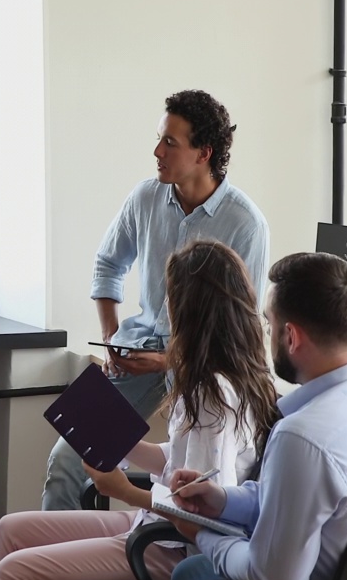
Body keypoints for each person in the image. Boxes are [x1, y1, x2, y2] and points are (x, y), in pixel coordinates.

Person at [83, 252, 347, 580]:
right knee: (189, 573)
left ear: (291, 336)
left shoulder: (303, 436)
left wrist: (202, 533)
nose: (265, 333)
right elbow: (293, 500)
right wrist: (224, 500)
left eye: (269, 323)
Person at [0, 240, 281, 580]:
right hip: (153, 525)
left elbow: (208, 511)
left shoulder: (212, 391)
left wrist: (121, 490)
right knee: (11, 530)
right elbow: (184, 460)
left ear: (188, 309)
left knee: (15, 573)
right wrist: (120, 443)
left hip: (174, 546)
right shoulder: (232, 375)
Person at [44, 89, 271, 511]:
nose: (157, 151)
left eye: (170, 142)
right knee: (66, 460)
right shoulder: (145, 196)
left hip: (207, 364)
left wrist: (171, 361)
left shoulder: (246, 224)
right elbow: (108, 264)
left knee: (199, 478)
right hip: (138, 354)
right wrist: (111, 335)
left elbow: (241, 331)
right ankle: (59, 567)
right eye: (160, 138)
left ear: (204, 153)